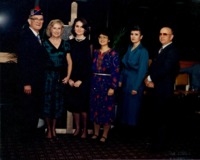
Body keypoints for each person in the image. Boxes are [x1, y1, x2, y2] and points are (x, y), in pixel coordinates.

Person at [144, 26, 180, 151]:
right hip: (156, 88)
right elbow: (154, 67)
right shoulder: (160, 49)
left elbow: (166, 69)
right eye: (160, 34)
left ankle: (159, 146)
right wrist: (148, 79)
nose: (162, 36)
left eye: (165, 34)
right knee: (156, 117)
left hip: (164, 90)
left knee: (162, 119)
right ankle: (155, 143)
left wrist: (150, 78)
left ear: (172, 37)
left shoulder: (172, 51)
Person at [17, 6, 47, 140]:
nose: (39, 22)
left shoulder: (37, 36)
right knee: (28, 109)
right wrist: (26, 83)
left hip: (37, 81)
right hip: (30, 82)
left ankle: (30, 135)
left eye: (41, 19)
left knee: (34, 108)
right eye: (36, 19)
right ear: (29, 21)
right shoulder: (25, 36)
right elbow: (23, 62)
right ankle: (26, 138)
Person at [42, 19, 72, 139]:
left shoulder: (65, 43)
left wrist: (68, 76)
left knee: (58, 104)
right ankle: (48, 129)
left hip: (60, 78)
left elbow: (70, 62)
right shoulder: (44, 43)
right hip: (47, 77)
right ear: (50, 29)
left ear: (62, 30)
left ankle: (54, 128)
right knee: (47, 104)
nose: (56, 30)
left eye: (59, 28)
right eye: (54, 28)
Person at [90, 28, 120, 143]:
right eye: (100, 37)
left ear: (109, 40)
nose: (102, 39)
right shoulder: (96, 52)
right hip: (95, 83)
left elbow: (116, 71)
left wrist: (113, 87)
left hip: (107, 84)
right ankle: (96, 133)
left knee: (107, 109)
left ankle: (105, 134)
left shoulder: (113, 54)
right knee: (95, 107)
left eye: (104, 37)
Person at [118, 25, 149, 129]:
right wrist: (121, 79)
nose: (133, 36)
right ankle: (125, 132)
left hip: (135, 81)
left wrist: (136, 87)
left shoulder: (143, 51)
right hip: (126, 81)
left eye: (136, 34)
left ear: (141, 37)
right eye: (132, 34)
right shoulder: (129, 48)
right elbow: (124, 65)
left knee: (133, 109)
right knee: (125, 108)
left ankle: (132, 134)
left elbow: (142, 71)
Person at [66, 17, 92, 139]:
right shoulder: (69, 43)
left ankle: (85, 130)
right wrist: (69, 79)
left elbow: (89, 64)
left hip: (84, 79)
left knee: (83, 107)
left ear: (85, 29)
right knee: (75, 105)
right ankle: (77, 128)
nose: (79, 29)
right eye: (77, 26)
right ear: (74, 28)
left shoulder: (89, 44)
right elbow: (66, 63)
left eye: (82, 26)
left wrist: (81, 80)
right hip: (72, 78)